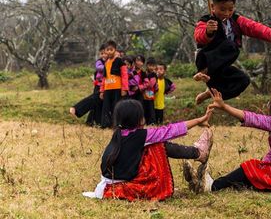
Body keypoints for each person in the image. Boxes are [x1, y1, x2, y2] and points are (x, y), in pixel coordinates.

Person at [184, 88, 271, 194]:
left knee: (250, 167)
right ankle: (202, 183)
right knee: (254, 172)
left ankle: (213, 186)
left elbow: (253, 118)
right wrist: (260, 168)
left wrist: (224, 107)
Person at [83, 99, 213, 201]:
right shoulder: (141, 136)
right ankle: (198, 153)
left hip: (109, 183)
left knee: (152, 144)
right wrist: (198, 120)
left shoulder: (119, 133)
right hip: (125, 185)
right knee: (158, 146)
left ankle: (197, 154)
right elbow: (170, 130)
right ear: (138, 119)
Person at [193, 0, 271, 105]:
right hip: (205, 59)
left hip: (220, 67)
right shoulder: (207, 20)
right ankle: (203, 72)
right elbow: (198, 36)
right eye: (222, 9)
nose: (227, 13)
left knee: (243, 80)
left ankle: (211, 93)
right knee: (232, 46)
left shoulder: (236, 20)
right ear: (213, 7)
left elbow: (254, 27)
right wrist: (208, 31)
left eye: (230, 9)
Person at [69, 44, 107, 126]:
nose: (103, 55)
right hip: (99, 86)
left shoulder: (111, 61)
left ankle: (92, 122)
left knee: (98, 104)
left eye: (105, 53)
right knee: (94, 100)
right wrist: (108, 66)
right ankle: (76, 109)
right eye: (102, 53)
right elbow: (99, 68)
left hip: (106, 85)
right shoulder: (100, 62)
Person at [99, 40, 128, 128]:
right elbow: (104, 78)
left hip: (117, 88)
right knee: (106, 107)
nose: (109, 51)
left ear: (115, 50)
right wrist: (101, 90)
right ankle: (105, 125)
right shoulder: (106, 62)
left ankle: (117, 125)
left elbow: (124, 75)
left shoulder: (120, 61)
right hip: (107, 88)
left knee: (117, 107)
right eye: (107, 50)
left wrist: (124, 88)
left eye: (111, 49)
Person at [143, 57, 158, 125]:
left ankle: (152, 121)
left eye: (153, 66)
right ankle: (146, 121)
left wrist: (144, 84)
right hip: (143, 93)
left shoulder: (154, 75)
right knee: (145, 107)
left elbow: (151, 85)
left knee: (150, 107)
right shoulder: (144, 73)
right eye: (150, 65)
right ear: (147, 65)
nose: (151, 67)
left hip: (150, 93)